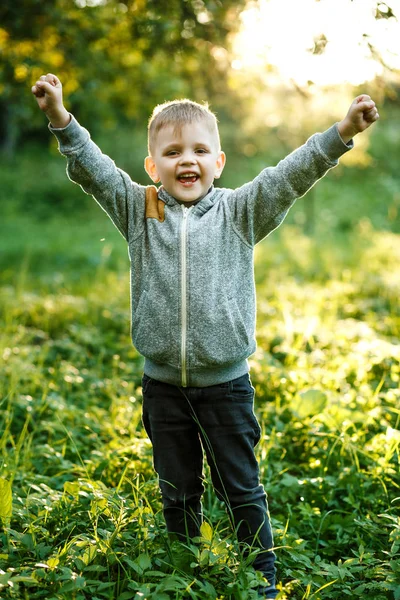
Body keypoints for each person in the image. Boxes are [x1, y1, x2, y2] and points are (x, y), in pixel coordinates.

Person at [32, 73, 379, 599]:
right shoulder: (138, 210)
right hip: (163, 388)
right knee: (178, 491)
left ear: (218, 163)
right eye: (171, 152)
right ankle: (182, 567)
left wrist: (342, 132)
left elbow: (290, 174)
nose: (186, 160)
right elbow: (94, 170)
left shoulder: (240, 212)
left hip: (226, 387)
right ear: (153, 167)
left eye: (199, 150)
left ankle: (261, 580)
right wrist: (60, 117)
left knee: (241, 488)